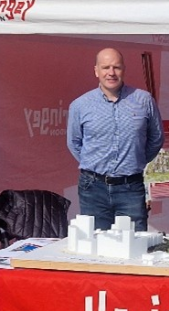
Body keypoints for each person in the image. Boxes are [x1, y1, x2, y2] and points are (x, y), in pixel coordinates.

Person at [67, 47, 163, 231]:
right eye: (105, 67)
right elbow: (74, 143)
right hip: (93, 188)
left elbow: (156, 138)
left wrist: (136, 160)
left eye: (116, 67)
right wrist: (94, 163)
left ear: (124, 70)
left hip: (130, 187)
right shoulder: (80, 105)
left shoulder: (143, 100)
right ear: (96, 71)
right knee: (94, 245)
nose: (111, 73)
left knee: (135, 245)